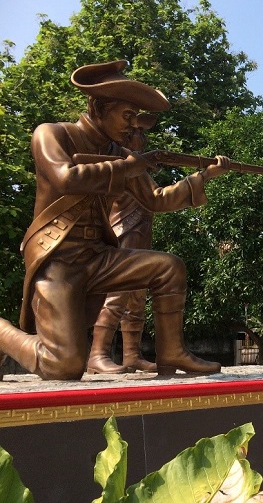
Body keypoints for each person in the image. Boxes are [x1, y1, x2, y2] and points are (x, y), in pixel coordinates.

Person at [0, 59, 232, 380]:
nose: (133, 125)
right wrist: (130, 166)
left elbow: (156, 199)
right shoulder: (52, 134)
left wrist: (204, 177)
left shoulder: (121, 153)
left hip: (98, 257)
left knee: (169, 267)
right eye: (127, 115)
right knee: (63, 366)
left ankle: (171, 353)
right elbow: (65, 178)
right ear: (97, 108)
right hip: (58, 260)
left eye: (136, 117)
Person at [86, 115, 157, 374]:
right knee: (117, 295)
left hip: (141, 232)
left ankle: (132, 356)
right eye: (138, 132)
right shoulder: (121, 165)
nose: (143, 138)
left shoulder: (138, 167)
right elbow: (158, 197)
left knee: (137, 298)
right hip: (124, 232)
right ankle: (98, 354)